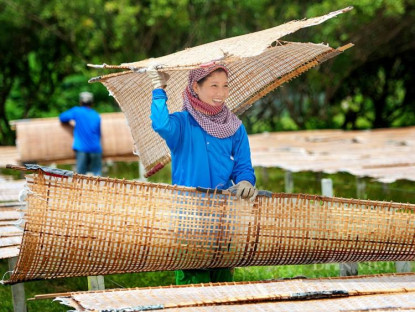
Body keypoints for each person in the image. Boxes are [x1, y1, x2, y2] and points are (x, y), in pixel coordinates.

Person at [147, 63, 258, 285]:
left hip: (224, 217)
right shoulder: (181, 124)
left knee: (223, 283)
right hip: (189, 218)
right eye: (213, 86)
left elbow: (243, 166)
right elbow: (160, 124)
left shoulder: (235, 127)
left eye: (225, 86)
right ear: (195, 88)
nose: (221, 93)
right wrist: (158, 89)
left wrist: (245, 181)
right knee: (193, 286)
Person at [59, 91, 102, 176]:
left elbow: (62, 117)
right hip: (96, 149)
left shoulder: (77, 111)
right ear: (92, 103)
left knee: (80, 177)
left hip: (82, 149)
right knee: (98, 176)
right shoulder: (96, 115)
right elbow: (99, 134)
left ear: (81, 102)